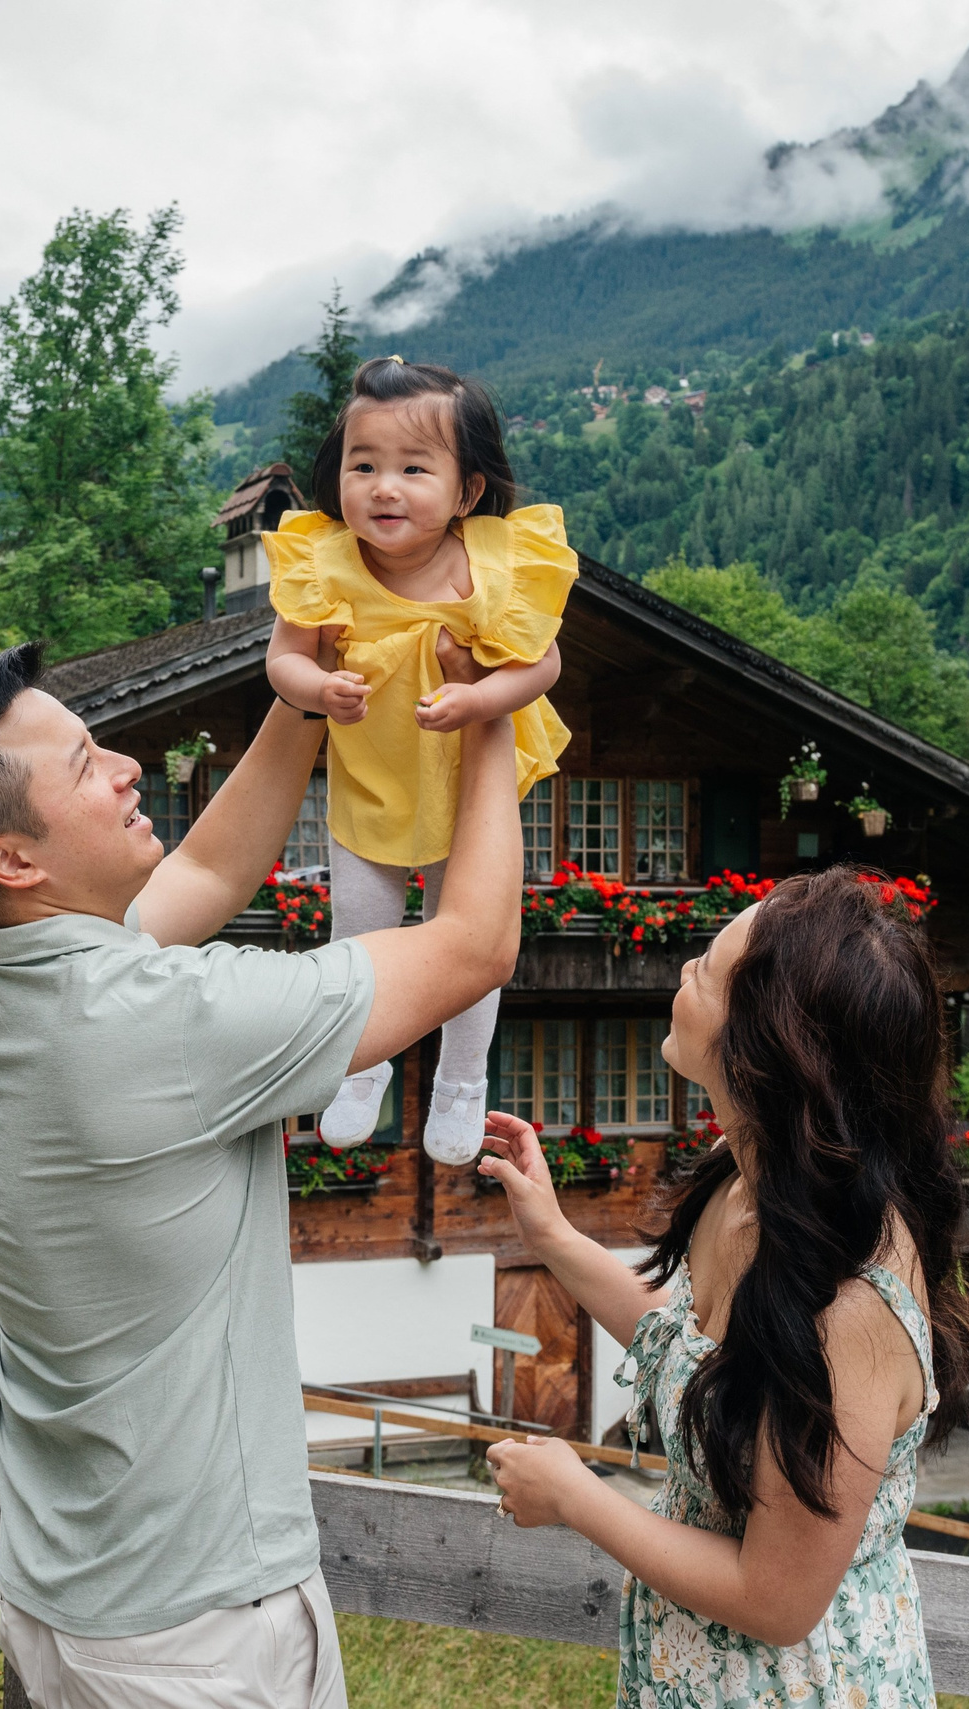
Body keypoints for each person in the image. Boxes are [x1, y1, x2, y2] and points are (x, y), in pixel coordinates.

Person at [0, 638, 522, 1709]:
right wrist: (491, 710)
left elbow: (208, 872)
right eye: (85, 766)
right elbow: (475, 944)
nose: (127, 767)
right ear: (12, 858)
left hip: (63, 1592)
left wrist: (302, 696)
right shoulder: (161, 1022)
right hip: (198, 1632)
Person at [480, 866, 969, 1709]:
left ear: (764, 1049)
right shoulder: (751, 1179)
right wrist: (553, 1236)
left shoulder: (854, 1303)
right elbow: (696, 1350)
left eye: (708, 969)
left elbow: (778, 1599)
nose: (684, 969)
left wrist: (579, 1498)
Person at [263, 355, 574, 1165]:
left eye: (412, 468)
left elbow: (542, 664)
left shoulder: (492, 562)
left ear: (467, 491)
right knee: (360, 931)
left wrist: (478, 700)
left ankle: (462, 1081)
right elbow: (282, 660)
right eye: (363, 466)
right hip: (374, 777)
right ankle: (359, 1066)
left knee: (466, 942)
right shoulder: (324, 561)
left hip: (471, 787)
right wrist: (318, 688)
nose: (384, 488)